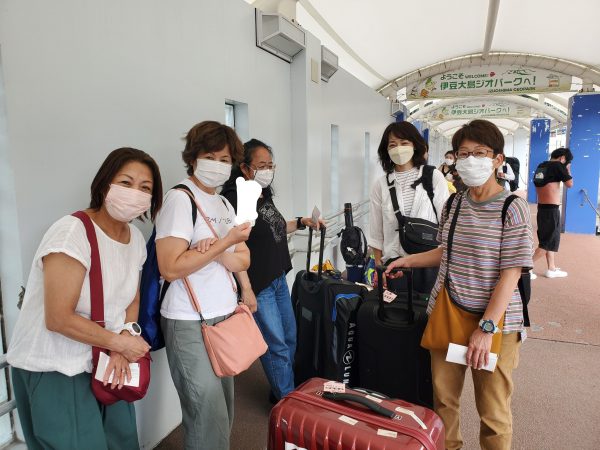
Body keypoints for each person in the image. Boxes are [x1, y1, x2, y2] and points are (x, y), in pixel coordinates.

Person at [386, 119, 533, 450]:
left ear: (497, 159)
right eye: (463, 154)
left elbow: (511, 273)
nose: (470, 160)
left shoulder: (513, 208)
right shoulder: (454, 204)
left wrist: (486, 328)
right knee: (443, 402)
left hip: (495, 323)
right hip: (449, 312)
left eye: (480, 153)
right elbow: (446, 250)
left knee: (493, 413)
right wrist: (407, 261)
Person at [7, 148, 163, 450]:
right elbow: (58, 318)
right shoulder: (72, 233)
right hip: (56, 365)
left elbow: (131, 301)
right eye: (126, 182)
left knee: (123, 441)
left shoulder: (134, 240)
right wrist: (119, 344)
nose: (135, 193)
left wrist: (124, 338)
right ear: (104, 184)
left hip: (106, 359)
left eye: (145, 188)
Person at [155, 121, 251, 450]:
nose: (218, 165)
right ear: (194, 157)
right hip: (188, 319)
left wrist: (217, 249)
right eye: (210, 156)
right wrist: (224, 245)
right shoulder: (180, 199)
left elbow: (243, 260)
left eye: (225, 159)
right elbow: (170, 267)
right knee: (206, 413)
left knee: (223, 408)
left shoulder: (223, 204)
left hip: (223, 315)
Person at [221, 138, 323, 403]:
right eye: (261, 165)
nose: (267, 170)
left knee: (289, 337)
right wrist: (246, 289)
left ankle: (281, 388)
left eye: (270, 165)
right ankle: (288, 403)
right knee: (275, 344)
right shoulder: (235, 199)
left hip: (277, 278)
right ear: (245, 168)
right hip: (259, 284)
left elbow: (275, 228)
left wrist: (302, 222)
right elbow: (232, 245)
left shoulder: (261, 194)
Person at [369, 121, 449, 291]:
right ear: (386, 150)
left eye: (404, 143)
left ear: (415, 146)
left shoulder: (433, 177)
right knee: (395, 307)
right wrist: (378, 268)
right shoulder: (381, 185)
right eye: (392, 145)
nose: (398, 148)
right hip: (394, 267)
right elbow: (376, 233)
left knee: (428, 307)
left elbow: (446, 222)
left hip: (429, 263)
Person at [532, 147, 573, 278]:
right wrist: (568, 169)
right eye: (566, 162)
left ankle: (551, 268)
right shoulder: (558, 165)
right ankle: (524, 268)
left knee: (549, 241)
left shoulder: (542, 166)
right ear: (563, 158)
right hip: (551, 210)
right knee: (546, 244)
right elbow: (570, 184)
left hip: (542, 208)